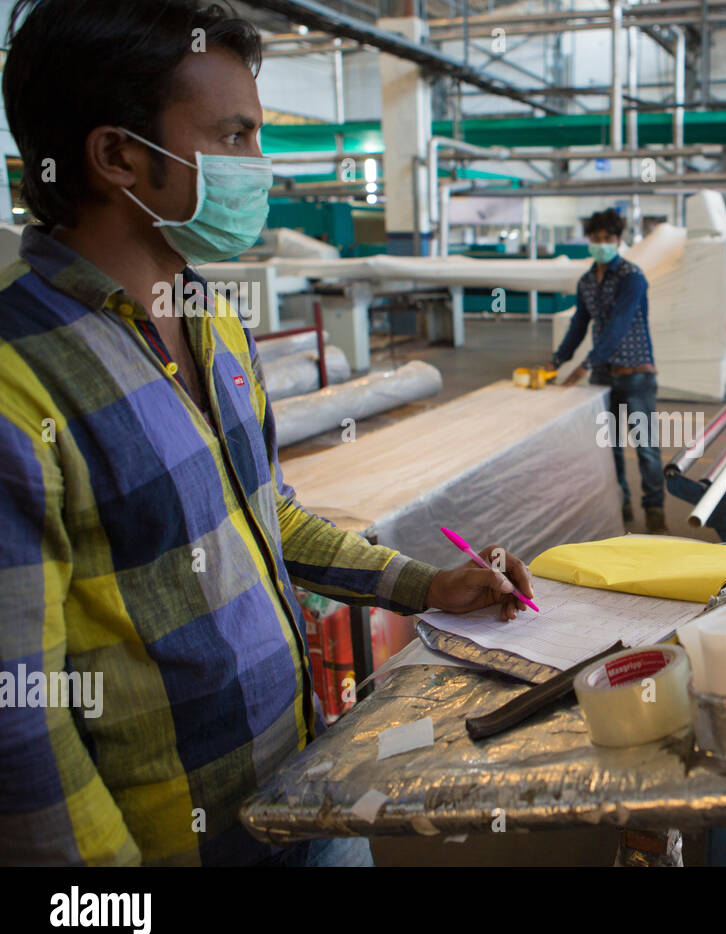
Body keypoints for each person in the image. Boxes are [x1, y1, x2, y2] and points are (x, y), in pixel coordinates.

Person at [0, 0, 533, 867]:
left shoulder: (209, 319)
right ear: (117, 157)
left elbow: (268, 519)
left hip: (301, 796)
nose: (261, 167)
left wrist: (430, 586)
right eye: (237, 136)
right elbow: (19, 728)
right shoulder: (20, 382)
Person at [549, 208, 666, 533]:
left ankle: (655, 512)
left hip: (636, 375)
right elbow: (579, 324)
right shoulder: (587, 281)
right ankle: (622, 509)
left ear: (618, 239)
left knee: (646, 448)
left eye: (608, 239)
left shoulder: (632, 277)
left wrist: (583, 365)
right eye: (596, 238)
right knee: (611, 447)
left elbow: (617, 327)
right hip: (604, 378)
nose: (602, 244)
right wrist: (557, 360)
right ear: (589, 240)